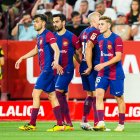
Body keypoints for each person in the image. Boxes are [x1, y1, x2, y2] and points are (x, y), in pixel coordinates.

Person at [15, 14, 65, 132]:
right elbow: (36, 50)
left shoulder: (48, 34)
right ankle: (60, 124)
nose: (34, 24)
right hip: (45, 69)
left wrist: (56, 62)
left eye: (37, 22)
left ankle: (32, 123)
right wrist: (22, 58)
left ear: (43, 23)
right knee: (52, 96)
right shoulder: (39, 36)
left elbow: (56, 49)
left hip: (48, 69)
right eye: (34, 22)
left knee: (35, 94)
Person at [93, 16, 126, 132]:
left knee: (119, 97)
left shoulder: (116, 38)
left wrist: (103, 65)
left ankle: (121, 124)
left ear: (109, 25)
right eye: (99, 24)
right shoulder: (99, 38)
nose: (99, 26)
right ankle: (101, 122)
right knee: (98, 95)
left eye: (102, 24)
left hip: (115, 73)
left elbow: (118, 57)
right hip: (103, 73)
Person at [52, 14, 81, 130]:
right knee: (62, 95)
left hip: (67, 69)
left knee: (57, 92)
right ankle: (68, 123)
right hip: (56, 70)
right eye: (53, 22)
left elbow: (79, 52)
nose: (55, 24)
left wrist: (83, 64)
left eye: (57, 22)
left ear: (63, 22)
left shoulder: (72, 37)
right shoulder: (53, 37)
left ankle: (61, 123)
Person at [79, 12, 101, 130]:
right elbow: (88, 47)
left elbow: (77, 50)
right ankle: (97, 123)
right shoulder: (95, 32)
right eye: (99, 17)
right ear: (93, 20)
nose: (101, 19)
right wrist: (89, 65)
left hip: (83, 64)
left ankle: (84, 120)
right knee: (97, 94)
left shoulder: (83, 32)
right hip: (91, 66)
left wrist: (82, 63)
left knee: (90, 94)